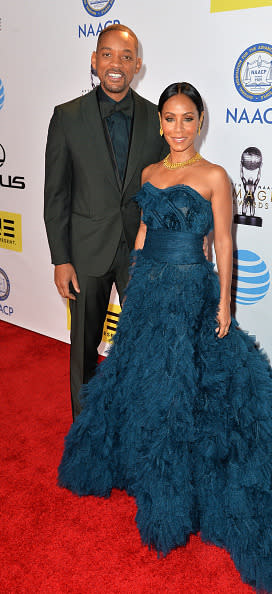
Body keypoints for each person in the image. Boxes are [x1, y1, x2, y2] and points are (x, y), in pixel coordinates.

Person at [58, 82, 272, 594]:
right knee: (143, 383)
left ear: (201, 122)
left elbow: (225, 242)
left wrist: (225, 301)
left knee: (190, 389)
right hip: (148, 293)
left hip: (192, 292)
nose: (178, 128)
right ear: (160, 122)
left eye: (188, 119)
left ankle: (182, 483)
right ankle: (141, 466)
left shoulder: (214, 176)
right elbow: (143, 233)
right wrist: (131, 290)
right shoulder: (150, 173)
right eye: (170, 118)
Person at [44, 24, 168, 420]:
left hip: (141, 252)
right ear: (94, 60)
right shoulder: (67, 117)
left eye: (126, 57)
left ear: (138, 66)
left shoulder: (156, 119)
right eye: (109, 54)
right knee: (83, 346)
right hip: (85, 251)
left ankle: (138, 424)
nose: (117, 64)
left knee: (145, 342)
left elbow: (165, 187)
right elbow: (56, 194)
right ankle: (86, 429)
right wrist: (61, 259)